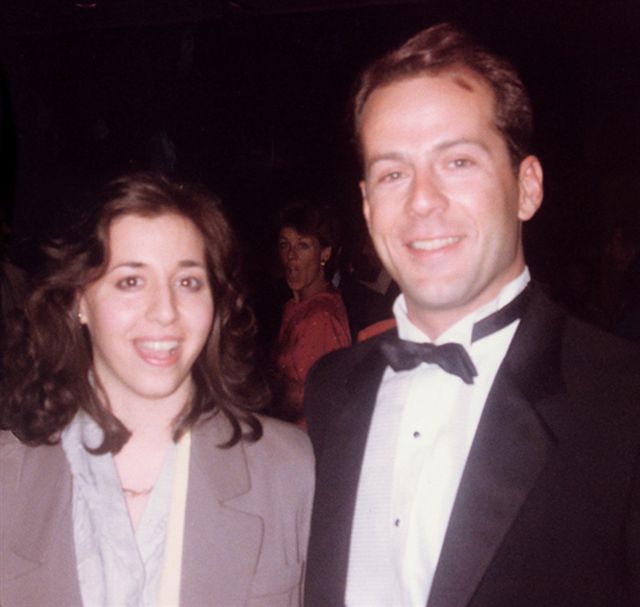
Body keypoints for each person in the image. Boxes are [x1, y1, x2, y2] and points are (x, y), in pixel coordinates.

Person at [303, 23, 640, 607]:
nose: (422, 200)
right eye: (393, 173)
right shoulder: (330, 390)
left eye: (457, 162)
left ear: (526, 187)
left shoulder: (622, 398)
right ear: (365, 205)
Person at [0, 173, 314, 607]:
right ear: (78, 301)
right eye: (131, 281)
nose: (165, 312)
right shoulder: (8, 480)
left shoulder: (290, 471)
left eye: (188, 282)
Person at [272, 201, 351, 426]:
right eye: (284, 245)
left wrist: (261, 386)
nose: (291, 256)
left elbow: (317, 398)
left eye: (303, 246)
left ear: (324, 254)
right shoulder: (297, 305)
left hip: (303, 442)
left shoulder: (320, 316)